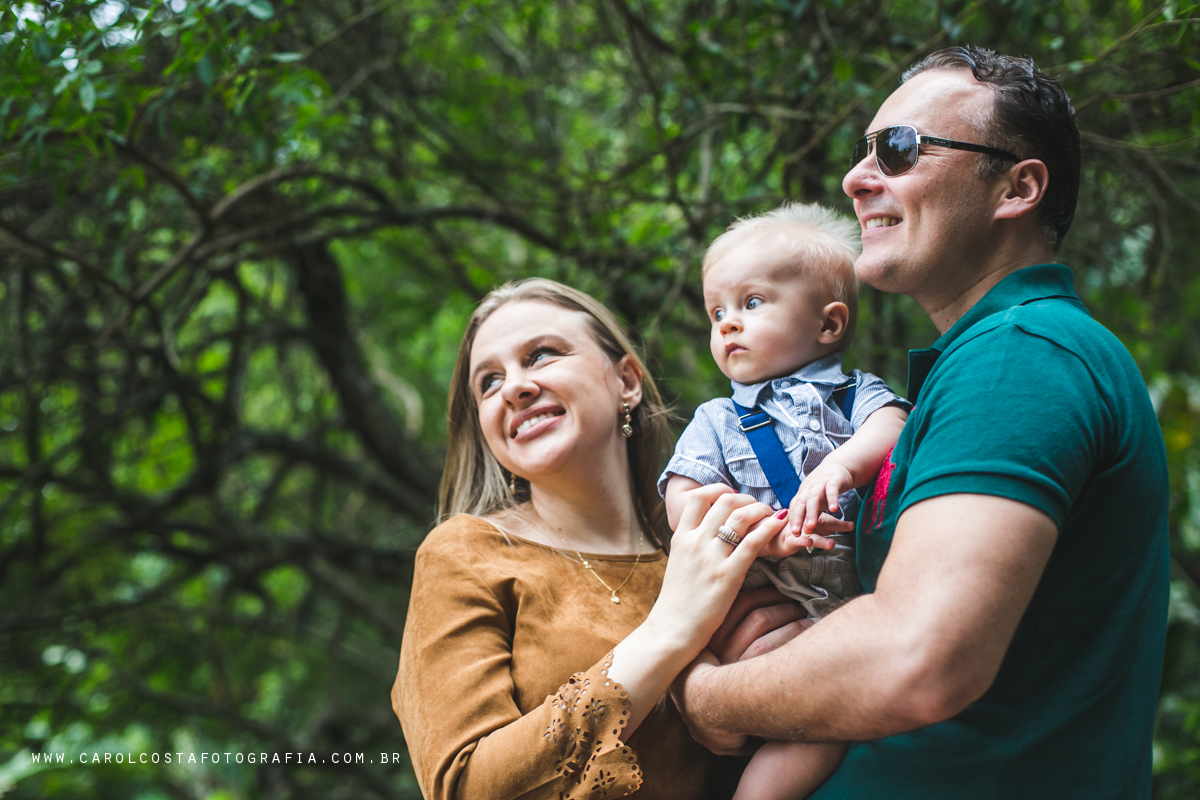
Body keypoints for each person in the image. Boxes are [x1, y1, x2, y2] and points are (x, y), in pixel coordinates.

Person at [672, 45, 1170, 799]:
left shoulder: (1020, 358)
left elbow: (919, 653)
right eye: (864, 152)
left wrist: (706, 698)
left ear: (1016, 187)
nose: (856, 178)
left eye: (899, 150)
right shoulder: (990, 359)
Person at [392, 278, 793, 800]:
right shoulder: (465, 553)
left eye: (541, 355)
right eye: (488, 382)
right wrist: (670, 629)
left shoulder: (701, 553)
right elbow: (465, 785)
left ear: (626, 380)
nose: (513, 387)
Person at [659, 202, 910, 798]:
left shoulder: (856, 396)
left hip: (872, 606)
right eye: (716, 311)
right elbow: (684, 500)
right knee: (792, 716)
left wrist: (843, 465)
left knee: (840, 715)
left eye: (751, 303)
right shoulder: (718, 419)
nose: (726, 324)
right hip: (788, 606)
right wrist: (757, 534)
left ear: (828, 325)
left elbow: (895, 427)